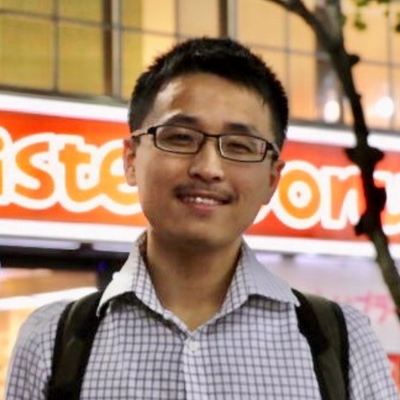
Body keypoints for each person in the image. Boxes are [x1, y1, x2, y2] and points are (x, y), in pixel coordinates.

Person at [5, 37, 399, 400]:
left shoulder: (341, 342)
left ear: (272, 179)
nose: (208, 168)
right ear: (131, 160)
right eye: (180, 137)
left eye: (240, 145)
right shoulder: (52, 340)